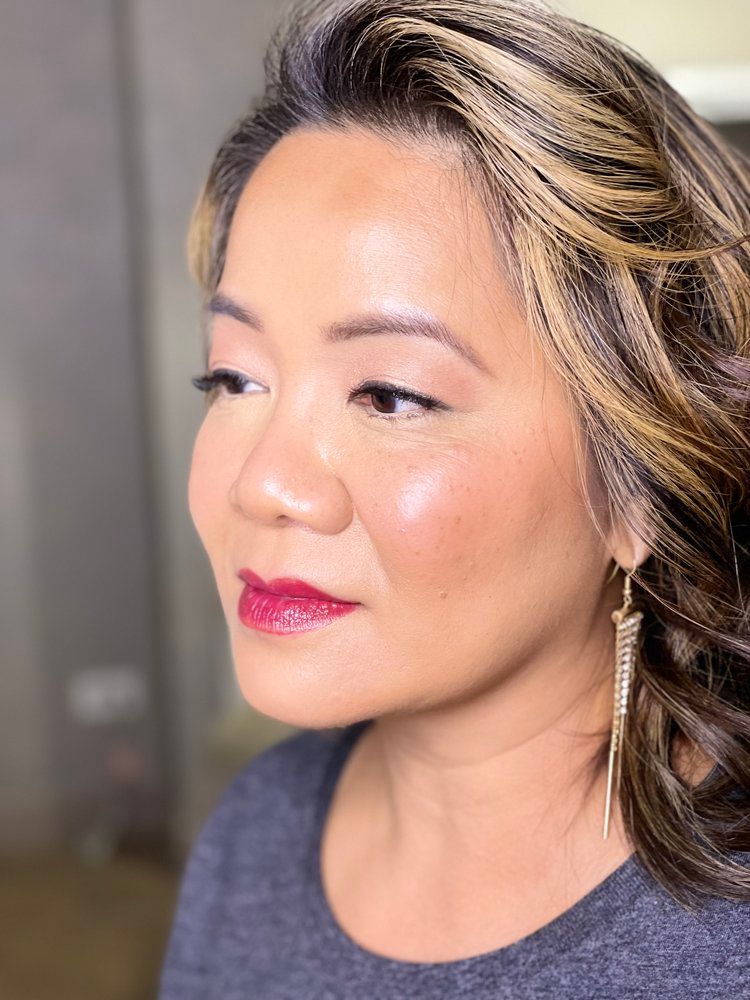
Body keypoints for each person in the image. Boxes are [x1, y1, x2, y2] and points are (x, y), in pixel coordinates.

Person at [158, 0, 750, 996]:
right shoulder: (255, 835)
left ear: (639, 483)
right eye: (234, 378)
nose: (263, 483)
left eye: (390, 393)